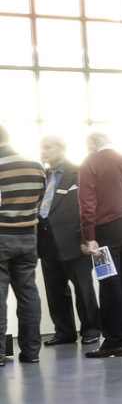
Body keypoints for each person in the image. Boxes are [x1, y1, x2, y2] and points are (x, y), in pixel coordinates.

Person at [78, 130, 122, 358]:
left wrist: (89, 236)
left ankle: (115, 342)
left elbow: (87, 202)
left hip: (107, 228)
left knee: (109, 283)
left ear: (91, 145)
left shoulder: (90, 162)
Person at [36, 135, 102, 347]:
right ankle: (64, 332)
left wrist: (87, 238)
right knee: (55, 292)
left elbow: (90, 206)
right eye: (41, 148)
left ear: (63, 149)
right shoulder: (42, 176)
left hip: (75, 242)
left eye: (48, 147)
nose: (43, 151)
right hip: (46, 242)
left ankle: (91, 329)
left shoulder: (79, 172)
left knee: (84, 289)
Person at [0, 125, 48, 365]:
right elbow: (41, 198)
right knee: (28, 294)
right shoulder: (35, 165)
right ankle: (31, 353)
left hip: (1, 236)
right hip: (28, 236)